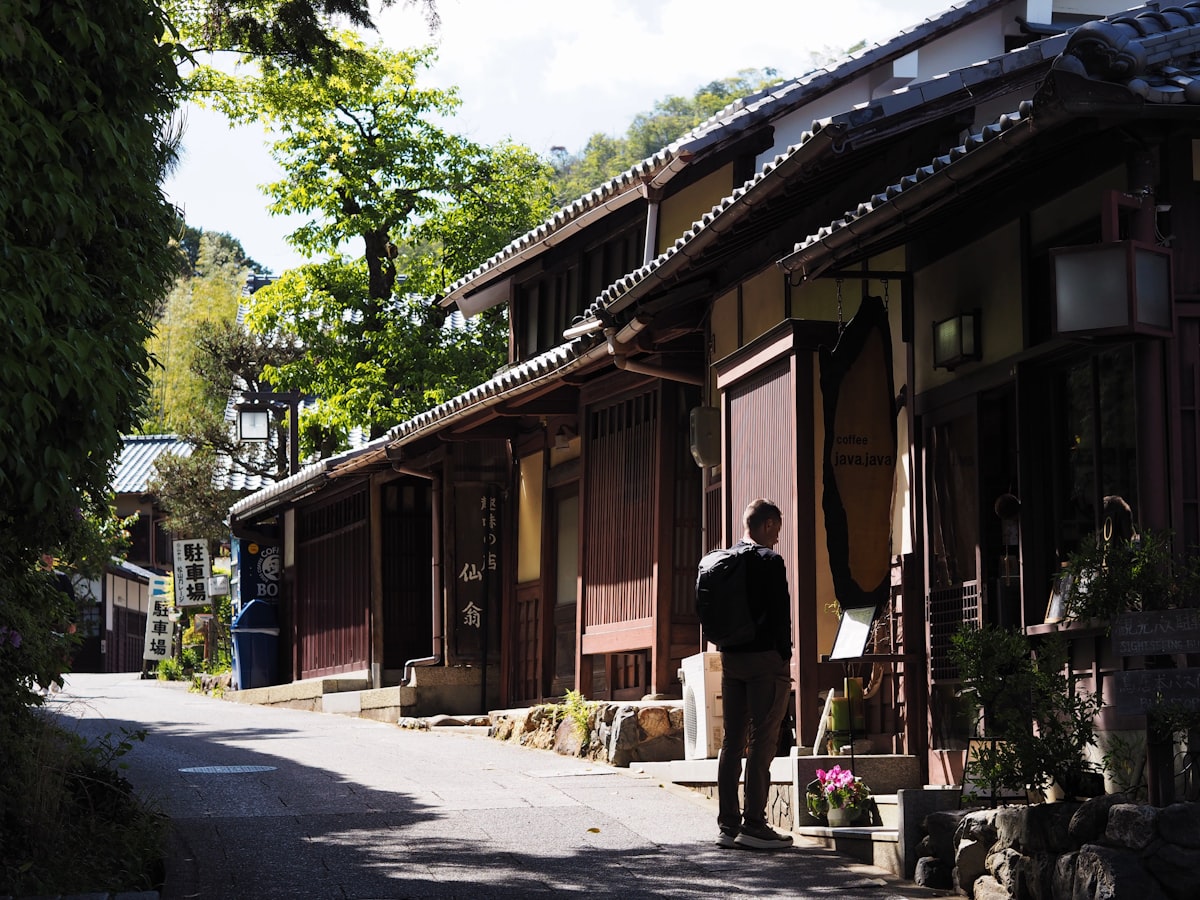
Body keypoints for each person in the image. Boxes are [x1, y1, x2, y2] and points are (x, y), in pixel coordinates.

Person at [715, 498, 795, 851]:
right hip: (765, 661)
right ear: (767, 524)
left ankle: (728, 826)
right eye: (777, 529)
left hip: (731, 659)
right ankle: (755, 825)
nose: (777, 537)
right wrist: (784, 656)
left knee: (732, 742)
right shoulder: (770, 561)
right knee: (763, 740)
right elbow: (780, 614)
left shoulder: (723, 561)